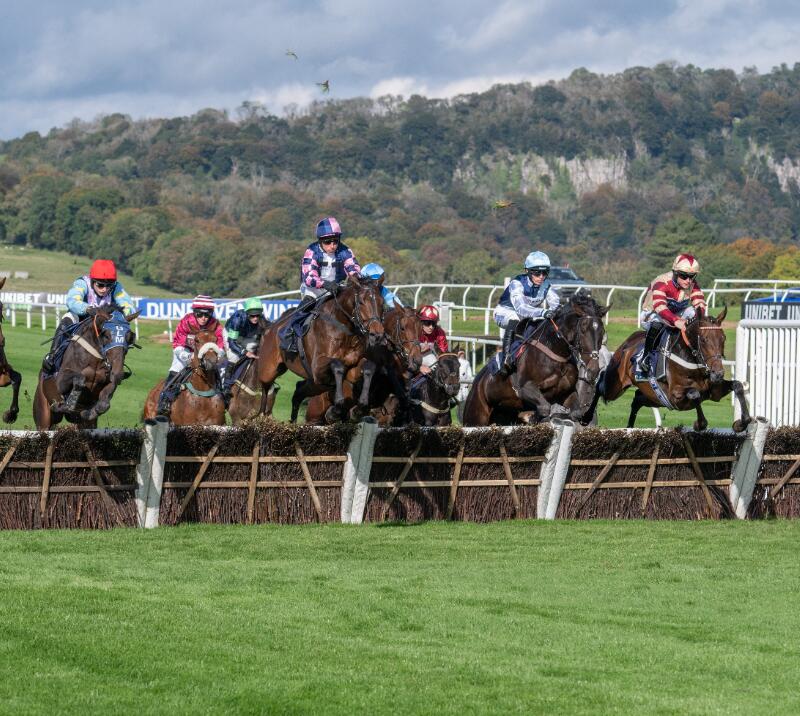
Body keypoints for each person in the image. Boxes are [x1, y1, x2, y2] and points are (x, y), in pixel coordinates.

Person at [42, 259, 135, 374]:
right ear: (92, 281)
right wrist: (88, 309)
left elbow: (128, 305)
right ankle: (52, 355)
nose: (104, 289)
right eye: (100, 285)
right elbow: (72, 301)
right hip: (82, 316)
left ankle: (117, 366)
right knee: (67, 319)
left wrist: (119, 316)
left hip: (103, 322)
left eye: (108, 286)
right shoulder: (82, 283)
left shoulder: (116, 287)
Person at [636, 254, 707, 380]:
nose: (688, 281)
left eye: (692, 276)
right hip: (652, 313)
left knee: (695, 315)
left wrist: (700, 318)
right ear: (675, 272)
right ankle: (645, 357)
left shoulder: (692, 284)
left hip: (676, 312)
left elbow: (700, 303)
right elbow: (660, 307)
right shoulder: (662, 282)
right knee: (658, 322)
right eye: (684, 276)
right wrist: (676, 321)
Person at [493, 251, 561, 377]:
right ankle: (506, 358)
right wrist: (543, 312)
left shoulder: (546, 285)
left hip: (527, 316)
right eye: (537, 272)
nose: (541, 276)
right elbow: (521, 309)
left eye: (545, 272)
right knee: (515, 318)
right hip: (504, 313)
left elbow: (556, 303)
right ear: (527, 271)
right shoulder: (517, 283)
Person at [157, 295, 225, 416]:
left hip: (207, 355)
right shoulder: (186, 322)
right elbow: (177, 344)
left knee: (218, 372)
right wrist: (188, 357)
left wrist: (217, 356)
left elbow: (221, 345)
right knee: (175, 370)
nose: (203, 318)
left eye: (207, 314)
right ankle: (165, 401)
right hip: (186, 352)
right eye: (200, 314)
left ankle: (223, 398)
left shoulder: (215, 325)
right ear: (194, 312)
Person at [298, 217, 361, 306]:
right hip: (314, 291)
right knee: (304, 308)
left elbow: (353, 268)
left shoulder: (345, 251)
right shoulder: (312, 251)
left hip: (337, 289)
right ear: (320, 241)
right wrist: (325, 284)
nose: (332, 246)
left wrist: (355, 277)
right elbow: (309, 277)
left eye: (335, 241)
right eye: (327, 242)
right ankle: (295, 320)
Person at [222, 297, 265, 405]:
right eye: (252, 315)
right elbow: (232, 342)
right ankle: (226, 387)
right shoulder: (238, 319)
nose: (255, 318)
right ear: (247, 313)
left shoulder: (262, 318)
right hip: (232, 336)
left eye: (257, 315)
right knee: (233, 356)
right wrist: (244, 352)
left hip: (247, 336)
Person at [417, 305, 449, 375]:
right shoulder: (413, 331)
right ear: (420, 322)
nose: (431, 327)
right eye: (427, 323)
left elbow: (443, 354)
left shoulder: (440, 332)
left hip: (429, 356)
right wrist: (419, 367)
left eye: (434, 323)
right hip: (413, 358)